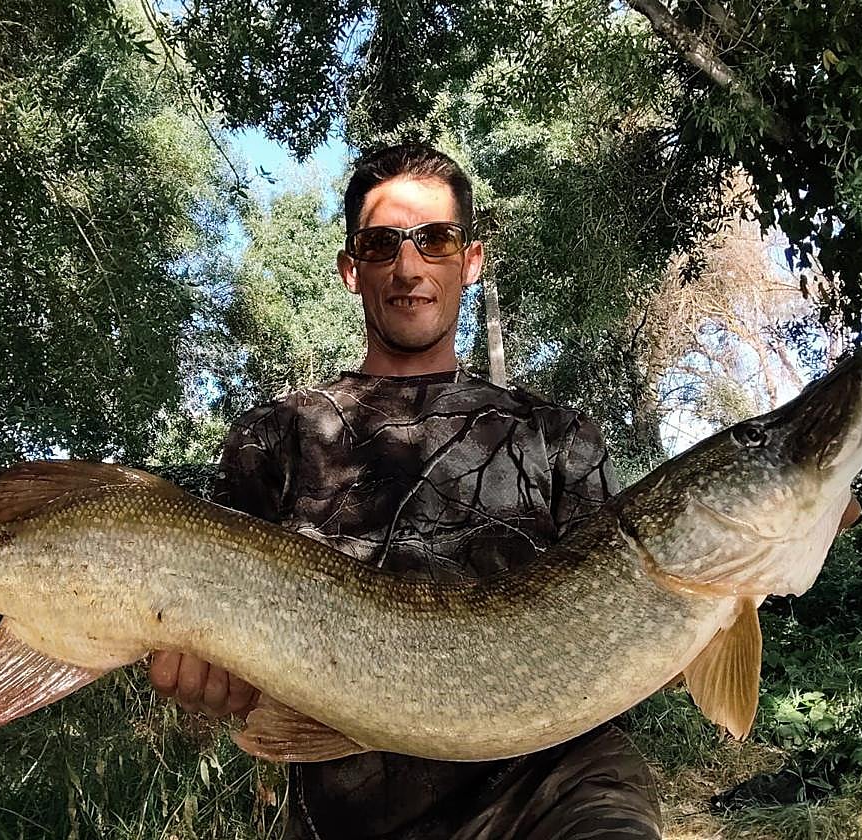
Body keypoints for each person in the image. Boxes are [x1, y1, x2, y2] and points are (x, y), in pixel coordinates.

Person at [148, 142, 666, 838]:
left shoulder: (558, 436)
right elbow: (208, 650)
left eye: (436, 238)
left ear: (470, 261)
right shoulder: (275, 437)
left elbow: (644, 623)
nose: (409, 264)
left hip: (556, 792)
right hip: (349, 815)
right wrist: (202, 682)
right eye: (381, 243)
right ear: (350, 269)